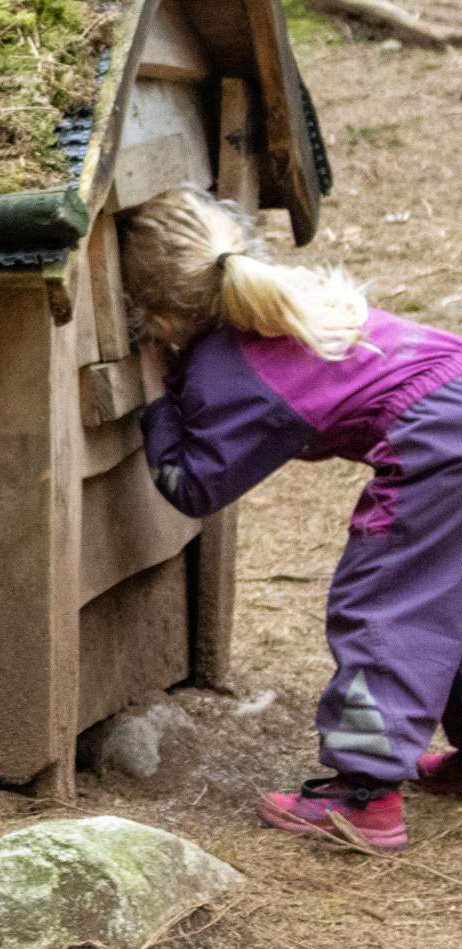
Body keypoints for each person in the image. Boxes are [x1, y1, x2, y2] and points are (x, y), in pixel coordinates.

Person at [125, 184, 462, 851]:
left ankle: (364, 799)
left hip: (438, 449)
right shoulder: (283, 297)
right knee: (449, 597)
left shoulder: (229, 367)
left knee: (386, 608)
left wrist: (152, 398)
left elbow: (193, 486)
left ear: (156, 309)